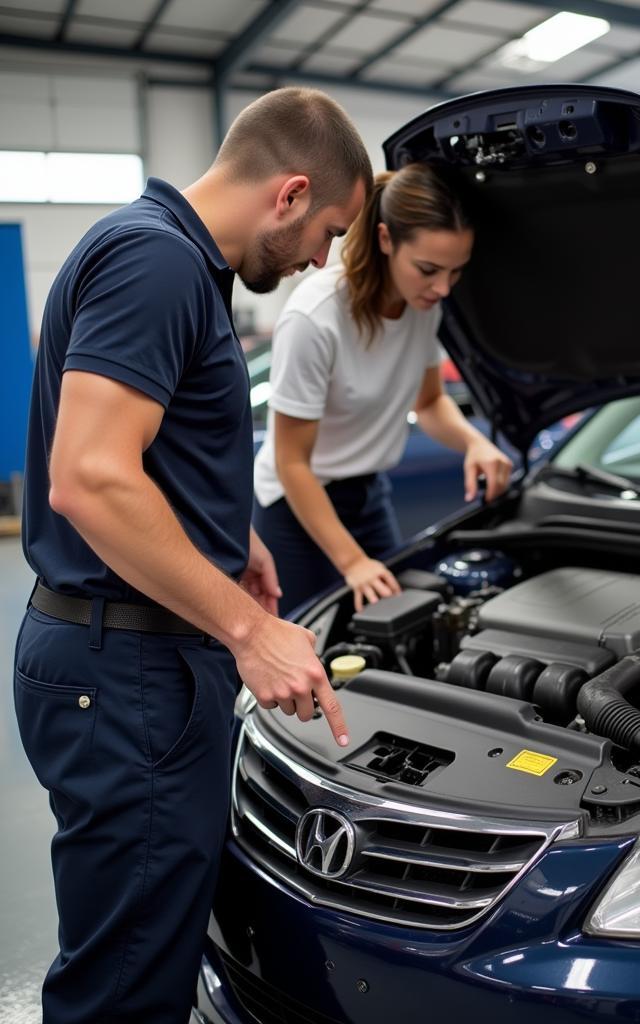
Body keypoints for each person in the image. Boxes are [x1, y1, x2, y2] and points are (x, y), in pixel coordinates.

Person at [13, 87, 372, 1024]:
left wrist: (229, 537)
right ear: (290, 194)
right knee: (126, 986)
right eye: (329, 232)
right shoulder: (159, 265)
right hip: (130, 670)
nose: (319, 262)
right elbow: (87, 478)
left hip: (126, 659)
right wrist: (247, 628)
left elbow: (141, 451)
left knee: (151, 947)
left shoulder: (158, 250)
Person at [252, 161, 513, 615]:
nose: (443, 288)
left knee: (398, 621)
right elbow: (291, 462)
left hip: (370, 495)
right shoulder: (315, 318)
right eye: (429, 269)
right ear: (386, 239)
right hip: (296, 508)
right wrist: (352, 562)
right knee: (308, 641)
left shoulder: (423, 305)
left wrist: (474, 442)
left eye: (455, 272)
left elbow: (430, 403)